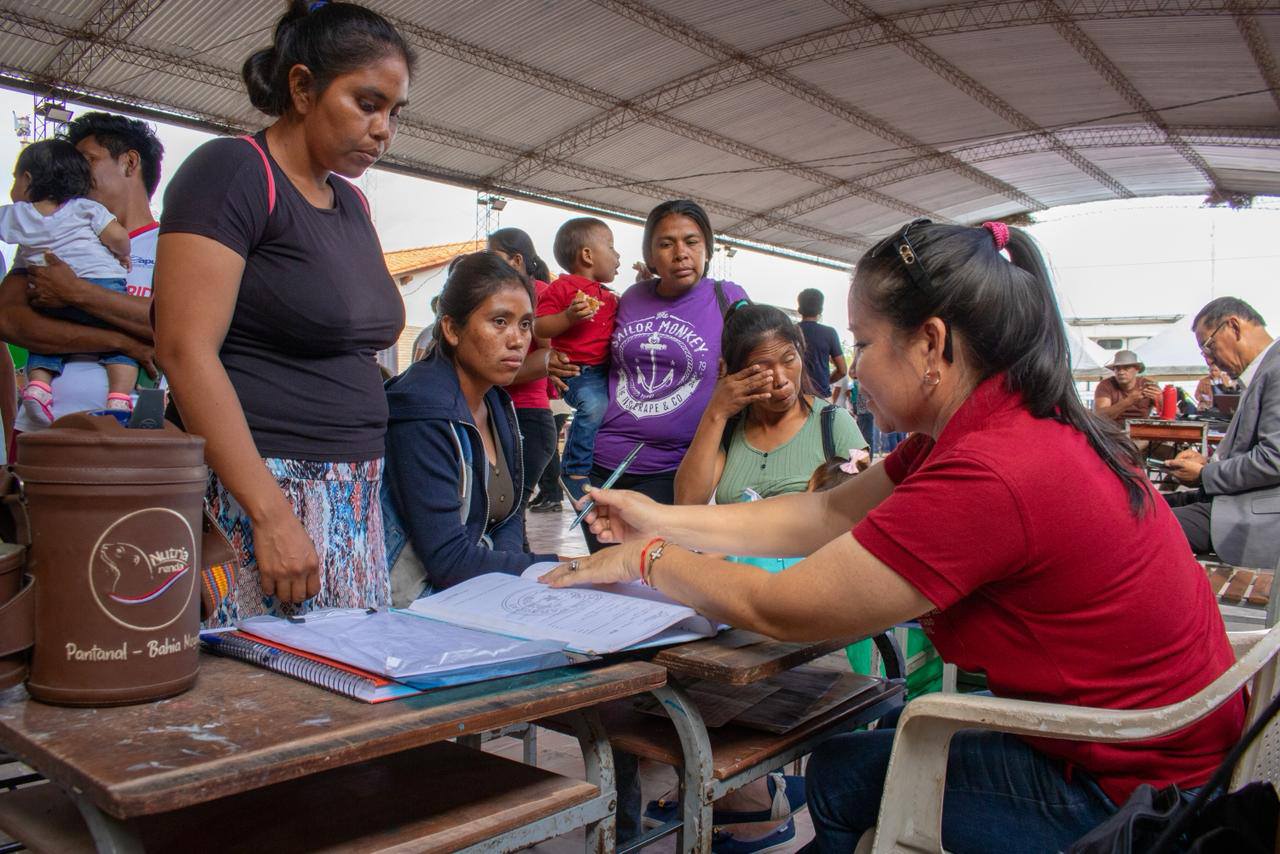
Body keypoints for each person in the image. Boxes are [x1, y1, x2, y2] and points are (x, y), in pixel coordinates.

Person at [545, 219, 1242, 853]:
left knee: (846, 777)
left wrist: (652, 559)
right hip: (1160, 752)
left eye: (863, 343)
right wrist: (658, 515)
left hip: (1136, 794)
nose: (852, 367)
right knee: (851, 768)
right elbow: (824, 515)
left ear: (931, 343)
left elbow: (781, 608)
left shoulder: (993, 469)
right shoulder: (994, 428)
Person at [154, 1, 414, 622]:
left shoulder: (351, 204)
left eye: (395, 113)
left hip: (353, 491)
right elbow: (184, 350)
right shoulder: (233, 173)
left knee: (347, 694)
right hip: (264, 488)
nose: (384, 129)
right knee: (268, 694)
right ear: (302, 87)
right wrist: (270, 513)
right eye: (367, 103)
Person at [382, 252, 559, 599]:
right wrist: (559, 566)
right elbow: (448, 559)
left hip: (470, 594)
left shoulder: (495, 402)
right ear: (451, 329)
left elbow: (507, 516)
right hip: (413, 605)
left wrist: (516, 572)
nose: (518, 340)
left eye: (525, 324)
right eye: (499, 322)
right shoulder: (423, 411)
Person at [585, 199, 749, 549]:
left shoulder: (729, 299)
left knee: (660, 583)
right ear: (650, 254)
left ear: (707, 247)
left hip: (674, 470)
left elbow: (758, 360)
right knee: (607, 587)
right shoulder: (631, 297)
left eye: (691, 242)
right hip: (605, 464)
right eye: (666, 243)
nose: (680, 253)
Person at [0, 111, 162, 450]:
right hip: (39, 438)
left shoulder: (174, 246)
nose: (71, 172)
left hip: (133, 444)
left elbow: (178, 325)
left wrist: (75, 292)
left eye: (86, 160)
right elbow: (10, 320)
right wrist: (121, 341)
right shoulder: (48, 236)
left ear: (130, 163)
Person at [674, 302, 864, 509]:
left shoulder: (833, 422)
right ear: (736, 375)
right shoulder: (730, 431)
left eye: (789, 359)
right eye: (761, 371)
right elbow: (687, 504)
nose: (781, 380)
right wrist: (715, 413)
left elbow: (863, 508)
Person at [1, 139, 136, 423]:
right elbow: (118, 238)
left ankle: (38, 387)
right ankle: (120, 396)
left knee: (44, 341)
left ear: (27, 179)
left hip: (48, 290)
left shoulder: (17, 215)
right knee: (121, 349)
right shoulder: (86, 208)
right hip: (103, 281)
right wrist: (123, 255)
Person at [1167, 297, 1280, 566]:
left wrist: (1205, 474)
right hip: (1238, 498)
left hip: (1255, 511)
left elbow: (1274, 459)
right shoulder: (1266, 370)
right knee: (1145, 504)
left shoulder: (1276, 370)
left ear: (1233, 327)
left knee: (1141, 523)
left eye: (1209, 346)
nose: (1209, 360)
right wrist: (1207, 463)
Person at [487, 226, 577, 514]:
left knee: (510, 510)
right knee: (503, 511)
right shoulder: (507, 294)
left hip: (527, 415)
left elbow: (550, 353)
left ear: (516, 260)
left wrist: (496, 374)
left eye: (493, 255)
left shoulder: (537, 294)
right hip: (502, 410)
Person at [534, 217, 620, 501]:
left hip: (605, 371)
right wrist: (568, 317)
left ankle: (599, 463)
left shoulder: (609, 297)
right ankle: (573, 469)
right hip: (578, 372)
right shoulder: (561, 289)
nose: (617, 255)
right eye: (611, 247)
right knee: (594, 406)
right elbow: (540, 326)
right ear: (587, 255)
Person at [797, 287, 848, 400]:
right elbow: (843, 370)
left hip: (795, 395)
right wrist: (825, 381)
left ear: (800, 308)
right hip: (820, 396)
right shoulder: (829, 333)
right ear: (820, 309)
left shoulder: (791, 331)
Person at [1093, 349, 1160, 423]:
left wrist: (1160, 399)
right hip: (1112, 431)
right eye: (1117, 368)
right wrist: (1129, 401)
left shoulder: (1148, 385)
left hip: (1142, 430)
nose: (1121, 372)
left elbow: (1169, 414)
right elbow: (1099, 416)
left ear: (1137, 369)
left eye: (1126, 368)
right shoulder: (1105, 385)